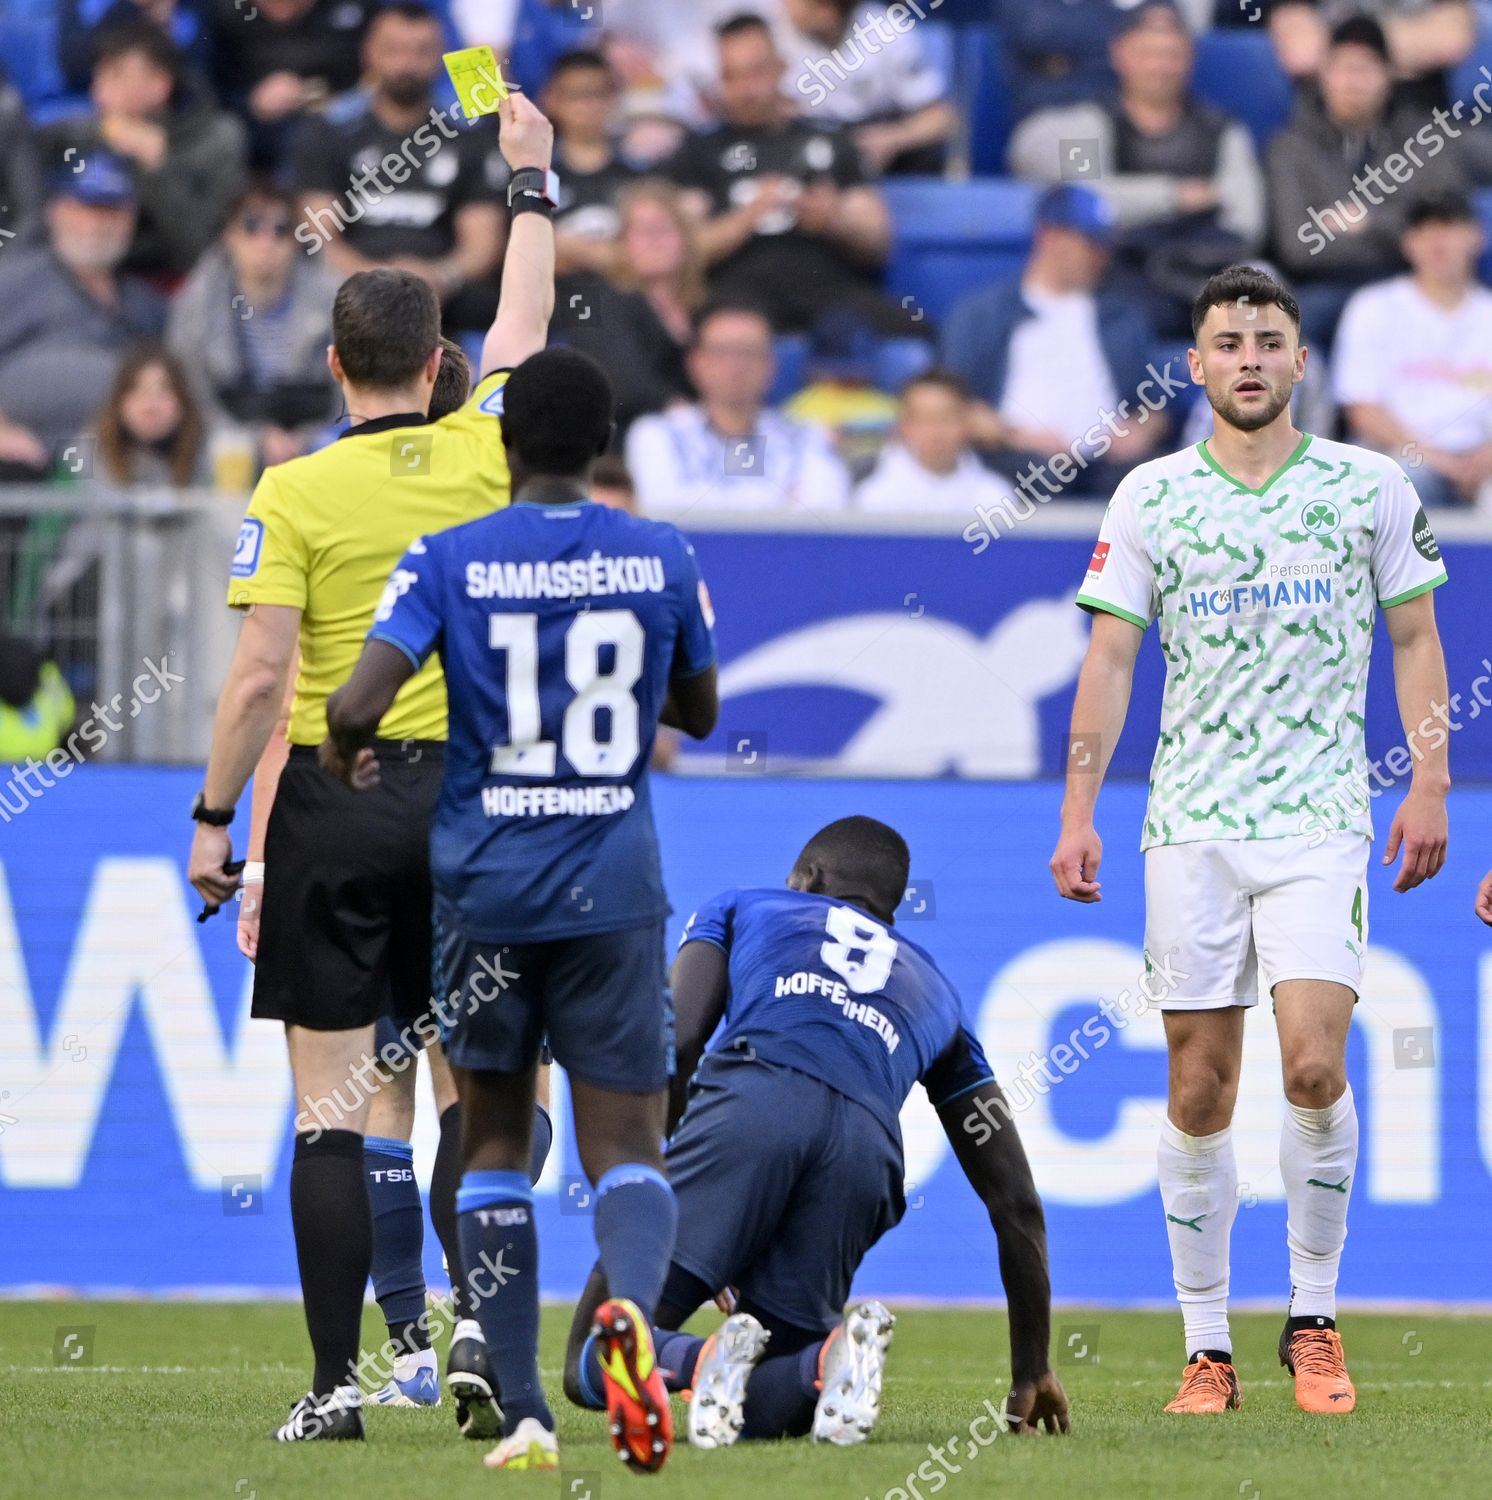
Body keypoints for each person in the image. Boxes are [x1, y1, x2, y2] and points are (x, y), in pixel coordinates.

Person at [185, 91, 558, 1444]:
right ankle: (474, 1323)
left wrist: (218, 821)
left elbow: (262, 682)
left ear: (334, 365)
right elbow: (527, 325)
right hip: (471, 797)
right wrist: (534, 179)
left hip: (337, 802)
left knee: (331, 1109)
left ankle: (337, 1387)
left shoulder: (288, 493)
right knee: (484, 1074)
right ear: (436, 360)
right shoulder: (484, 445)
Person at [1052, 263, 1450, 1416]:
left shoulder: (1368, 486)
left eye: (1268, 340)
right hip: (1189, 821)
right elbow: (1110, 660)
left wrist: (1429, 786)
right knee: (1196, 1085)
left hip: (1324, 811)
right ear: (1196, 362)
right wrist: (1078, 810)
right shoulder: (1150, 499)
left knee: (1316, 1066)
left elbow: (1418, 642)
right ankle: (1207, 1345)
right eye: (1227, 342)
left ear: (1299, 361)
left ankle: (1313, 1321)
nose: (1248, 359)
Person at [319, 345, 720, 1473]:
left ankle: (529, 1405)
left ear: (500, 442)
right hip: (613, 884)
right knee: (628, 1142)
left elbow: (358, 701)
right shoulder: (658, 553)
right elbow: (697, 707)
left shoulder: (446, 558)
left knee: (491, 1136)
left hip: (487, 889)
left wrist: (351, 752)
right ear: (602, 447)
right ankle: (630, 1314)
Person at [560, 816, 1070, 1447]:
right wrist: (1033, 1367)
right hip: (867, 1150)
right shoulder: (937, 992)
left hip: (751, 1103)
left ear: (809, 877)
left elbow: (678, 1041)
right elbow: (1016, 1202)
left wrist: (667, 1187)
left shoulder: (743, 905)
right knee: (773, 1408)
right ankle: (825, 1363)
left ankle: (696, 1362)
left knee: (591, 1357)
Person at [1009, 0, 1265, 338]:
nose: (1159, 66)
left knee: (1262, 288)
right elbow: (1086, 199)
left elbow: (1247, 221)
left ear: (1190, 57)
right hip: (1120, 274)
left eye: (1170, 54)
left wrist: (1143, 217)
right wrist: (1175, 197)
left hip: (1202, 273)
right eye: (1147, 53)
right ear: (1119, 54)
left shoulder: (1222, 129)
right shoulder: (1085, 123)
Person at [664, 14, 914, 342]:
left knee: (911, 335)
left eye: (755, 72)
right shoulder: (697, 152)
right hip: (738, 293)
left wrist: (833, 219)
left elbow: (880, 243)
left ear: (781, 67)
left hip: (828, 288)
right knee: (726, 336)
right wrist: (748, 217)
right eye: (730, 76)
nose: (745, 90)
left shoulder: (833, 141)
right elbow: (682, 251)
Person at [294, 1, 507, 335]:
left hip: (443, 293)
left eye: (421, 51)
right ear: (369, 54)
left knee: (487, 302)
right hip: (353, 285)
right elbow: (320, 239)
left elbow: (482, 244)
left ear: (441, 57)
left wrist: (441, 276)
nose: (408, 64)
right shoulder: (329, 132)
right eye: (394, 50)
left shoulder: (469, 136)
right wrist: (380, 282)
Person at [941, 185, 1163, 498]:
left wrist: (1141, 432)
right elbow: (954, 405)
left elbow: (1153, 405)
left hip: (1108, 465)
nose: (1101, 256)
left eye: (1104, 245)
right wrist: (1016, 435)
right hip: (1017, 459)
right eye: (1090, 243)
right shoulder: (983, 314)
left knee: (1148, 480)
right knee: (1044, 476)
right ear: (1048, 237)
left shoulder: (1123, 316)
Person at [1266, 15, 1467, 346]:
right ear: (1323, 75)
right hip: (1324, 288)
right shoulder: (1290, 147)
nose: (1353, 81)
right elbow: (1297, 248)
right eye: (1343, 68)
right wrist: (1396, 233)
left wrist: (1365, 221)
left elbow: (1445, 226)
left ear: (1389, 76)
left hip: (1405, 284)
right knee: (1283, 331)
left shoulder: (1424, 140)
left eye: (1365, 68)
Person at [40, 21, 247, 276]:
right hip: (86, 276)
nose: (97, 91)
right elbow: (25, 148)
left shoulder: (218, 138)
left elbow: (203, 253)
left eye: (114, 75)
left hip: (172, 282)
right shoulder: (91, 129)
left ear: (159, 84)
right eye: (98, 76)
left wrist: (157, 168)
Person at [0, 153, 166, 469]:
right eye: (85, 208)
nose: (96, 224)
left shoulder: (146, 305)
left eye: (111, 211)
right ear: (56, 211)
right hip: (20, 470)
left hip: (118, 469)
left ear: (130, 218)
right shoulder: (13, 281)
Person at [1333, 190, 1492, 510]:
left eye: (1448, 227)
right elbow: (1362, 410)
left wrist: (1482, 461)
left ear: (1477, 236)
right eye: (1424, 230)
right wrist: (1437, 461)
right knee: (1398, 483)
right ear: (1408, 243)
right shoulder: (1373, 307)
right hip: (1401, 456)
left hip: (1483, 462)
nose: (1437, 243)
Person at [166, 182, 341, 473]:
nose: (266, 240)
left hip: (319, 448)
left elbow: (352, 392)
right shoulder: (195, 304)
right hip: (222, 448)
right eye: (250, 226)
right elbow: (189, 393)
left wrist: (309, 439)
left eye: (281, 229)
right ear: (228, 236)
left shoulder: (336, 299)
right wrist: (253, 440)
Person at [626, 301, 851, 511]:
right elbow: (662, 506)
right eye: (722, 351)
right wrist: (781, 501)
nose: (736, 365)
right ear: (695, 363)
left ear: (771, 365)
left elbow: (827, 506)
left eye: (748, 352)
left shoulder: (807, 435)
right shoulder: (657, 433)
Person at [550, 178, 701, 434]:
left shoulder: (705, 307)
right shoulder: (594, 299)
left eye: (665, 228)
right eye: (641, 230)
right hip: (620, 439)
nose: (654, 240)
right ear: (621, 243)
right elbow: (619, 380)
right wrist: (685, 415)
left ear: (685, 239)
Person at [777, 0, 956, 175]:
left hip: (874, 142)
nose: (785, 4)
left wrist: (891, 139)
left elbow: (940, 118)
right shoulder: (770, 27)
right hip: (803, 143)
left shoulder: (886, 29)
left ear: (827, 11)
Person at [207, 0, 375, 170]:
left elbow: (375, 72)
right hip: (254, 136)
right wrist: (251, 103)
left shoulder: (354, 10)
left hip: (343, 124)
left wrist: (317, 95)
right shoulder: (224, 15)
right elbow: (207, 91)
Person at [854, 371, 1019, 514]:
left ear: (968, 421)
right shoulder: (874, 498)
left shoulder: (995, 497)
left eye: (946, 418)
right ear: (903, 425)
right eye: (924, 419)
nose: (936, 432)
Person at [542, 49, 639, 275]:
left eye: (598, 94)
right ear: (552, 100)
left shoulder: (638, 173)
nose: (588, 106)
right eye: (577, 95)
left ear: (614, 97)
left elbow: (648, 258)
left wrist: (568, 248)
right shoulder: (538, 175)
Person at [95, 343, 207, 485]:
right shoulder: (84, 458)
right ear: (118, 401)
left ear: (183, 401)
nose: (150, 406)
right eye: (138, 391)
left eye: (163, 391)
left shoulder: (213, 456)